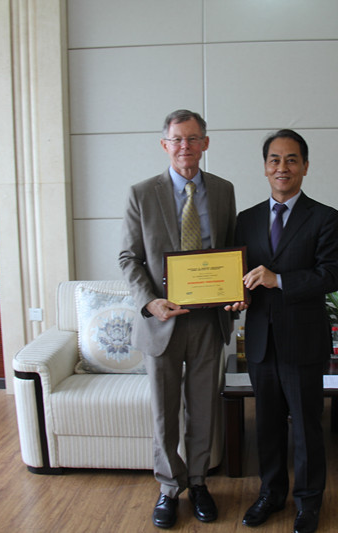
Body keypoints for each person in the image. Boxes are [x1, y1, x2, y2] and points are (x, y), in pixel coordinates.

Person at [119, 109, 238, 529]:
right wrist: (150, 302)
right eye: (177, 139)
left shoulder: (223, 190)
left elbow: (231, 249)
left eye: (192, 138)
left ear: (205, 143)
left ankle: (199, 482)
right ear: (165, 145)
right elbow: (128, 258)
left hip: (208, 321)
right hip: (161, 321)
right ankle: (170, 487)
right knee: (164, 413)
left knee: (203, 408)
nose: (184, 146)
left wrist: (235, 293)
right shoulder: (141, 194)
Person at [234, 129, 338, 533]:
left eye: (292, 159)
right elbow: (238, 275)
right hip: (261, 341)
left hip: (303, 340)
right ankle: (271, 494)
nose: (282, 167)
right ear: (265, 167)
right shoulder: (245, 219)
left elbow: (331, 276)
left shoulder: (324, 217)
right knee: (266, 425)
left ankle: (309, 502)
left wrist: (278, 280)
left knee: (305, 426)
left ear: (305, 166)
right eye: (275, 160)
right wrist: (237, 297)